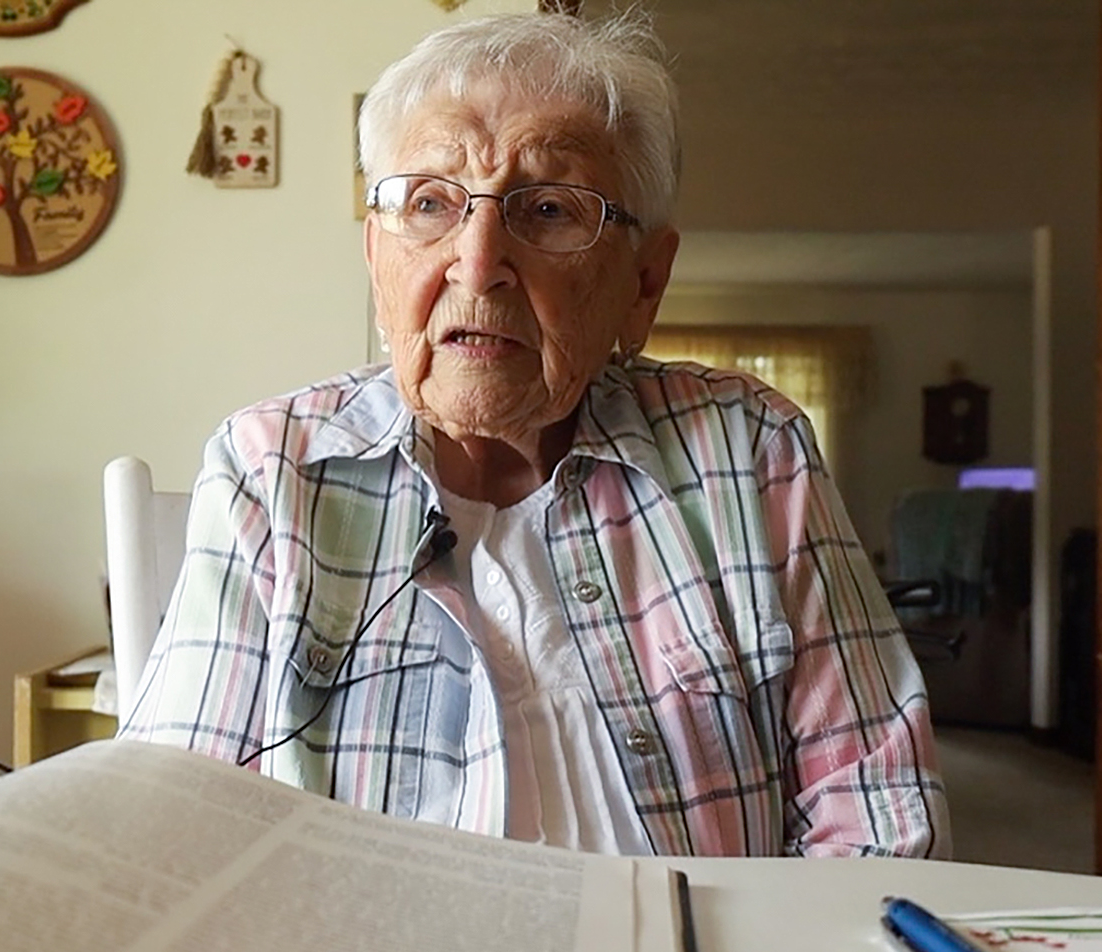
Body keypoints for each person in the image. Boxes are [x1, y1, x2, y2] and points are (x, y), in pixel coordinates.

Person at [119, 9, 949, 858]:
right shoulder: (273, 467)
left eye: (549, 209)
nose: (477, 263)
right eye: (431, 203)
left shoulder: (747, 451)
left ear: (643, 283)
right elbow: (169, 828)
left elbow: (879, 817)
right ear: (377, 258)